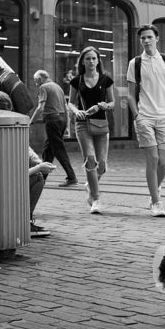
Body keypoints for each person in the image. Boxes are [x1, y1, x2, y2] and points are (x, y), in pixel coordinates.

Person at [126, 24, 165, 217]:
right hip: (145, 116)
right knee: (152, 158)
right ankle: (156, 202)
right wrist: (137, 116)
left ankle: (154, 189)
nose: (146, 41)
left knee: (164, 163)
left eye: (149, 37)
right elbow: (129, 94)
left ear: (157, 38)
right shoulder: (135, 63)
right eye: (143, 38)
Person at [0, 90, 56, 237]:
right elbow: (11, 175)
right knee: (38, 176)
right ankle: (24, 223)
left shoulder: (4, 129)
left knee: (37, 174)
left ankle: (23, 221)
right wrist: (39, 167)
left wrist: (38, 161)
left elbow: (24, 148)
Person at [67, 46, 115, 214]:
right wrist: (76, 111)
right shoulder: (77, 80)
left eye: (94, 58)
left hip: (101, 123)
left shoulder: (106, 80)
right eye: (87, 58)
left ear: (98, 61)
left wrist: (105, 105)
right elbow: (70, 102)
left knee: (101, 165)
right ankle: (95, 199)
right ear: (82, 61)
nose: (91, 61)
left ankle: (90, 184)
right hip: (82, 124)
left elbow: (112, 103)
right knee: (90, 159)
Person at [30, 70, 78, 187]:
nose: (36, 84)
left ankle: (72, 177)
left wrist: (31, 122)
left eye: (36, 81)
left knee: (58, 149)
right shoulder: (58, 87)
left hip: (52, 121)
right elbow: (66, 108)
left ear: (40, 79)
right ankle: (42, 177)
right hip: (61, 120)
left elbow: (40, 108)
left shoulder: (44, 87)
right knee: (48, 149)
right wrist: (66, 126)